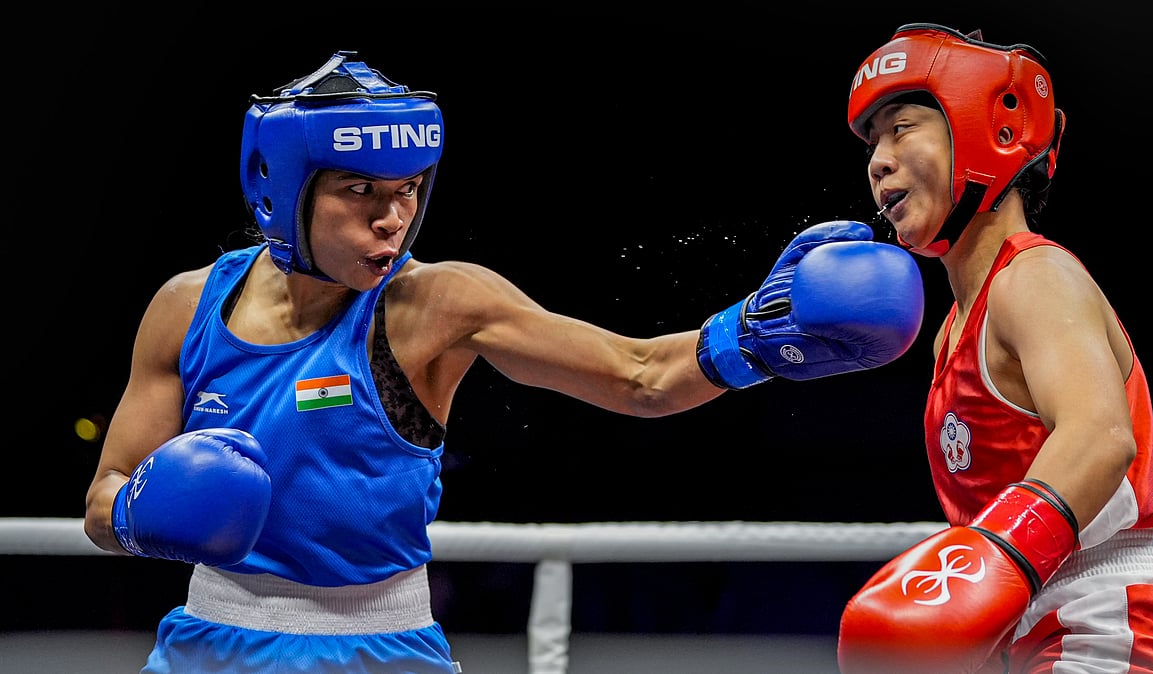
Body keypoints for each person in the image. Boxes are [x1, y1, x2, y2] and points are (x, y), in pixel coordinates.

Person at [82, 51, 924, 673]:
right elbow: (104, 493)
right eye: (361, 192)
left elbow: (638, 376)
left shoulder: (435, 304)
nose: (393, 218)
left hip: (381, 647)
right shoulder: (188, 307)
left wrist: (754, 335)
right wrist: (141, 516)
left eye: (409, 188)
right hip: (206, 642)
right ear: (283, 188)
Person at [835, 23, 1153, 673]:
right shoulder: (953, 327)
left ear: (981, 128)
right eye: (872, 142)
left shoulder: (1031, 277)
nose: (877, 160)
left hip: (1117, 628)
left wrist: (984, 565)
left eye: (902, 128)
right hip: (1053, 633)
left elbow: (1099, 437)